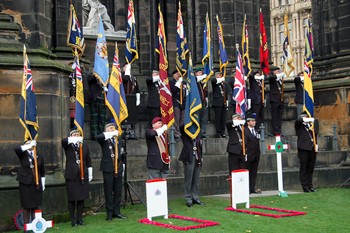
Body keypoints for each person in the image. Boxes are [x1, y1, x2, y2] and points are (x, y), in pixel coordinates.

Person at [62, 129, 92, 227]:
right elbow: (63, 141)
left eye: (78, 134)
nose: (76, 136)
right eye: (74, 134)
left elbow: (88, 160)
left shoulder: (85, 146)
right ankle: (73, 220)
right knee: (72, 199)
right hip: (71, 175)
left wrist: (90, 173)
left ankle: (80, 219)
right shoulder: (68, 146)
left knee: (81, 198)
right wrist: (72, 139)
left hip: (82, 176)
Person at [96, 122, 126, 221]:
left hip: (118, 167)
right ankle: (109, 213)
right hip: (108, 168)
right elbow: (98, 137)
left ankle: (117, 212)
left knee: (118, 191)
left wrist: (123, 166)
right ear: (106, 130)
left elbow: (123, 152)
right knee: (108, 191)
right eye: (110, 128)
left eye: (113, 128)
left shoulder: (118, 139)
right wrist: (109, 134)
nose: (112, 130)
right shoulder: (104, 139)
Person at [14, 140, 45, 225]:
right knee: (26, 206)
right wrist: (28, 145)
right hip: (25, 183)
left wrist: (43, 183)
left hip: (36, 184)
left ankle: (35, 226)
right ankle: (26, 227)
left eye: (31, 143)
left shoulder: (39, 155)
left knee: (35, 206)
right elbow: (17, 149)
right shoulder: (22, 154)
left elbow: (42, 171)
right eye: (27, 143)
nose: (30, 145)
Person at [179, 126, 204, 207]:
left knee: (196, 179)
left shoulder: (198, 132)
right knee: (188, 179)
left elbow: (200, 145)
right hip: (189, 157)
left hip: (198, 157)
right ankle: (188, 197)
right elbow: (181, 128)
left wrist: (201, 157)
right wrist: (189, 122)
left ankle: (195, 197)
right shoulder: (186, 132)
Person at [295, 111, 318, 192]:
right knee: (304, 168)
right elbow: (298, 120)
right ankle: (305, 186)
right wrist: (304, 119)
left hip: (312, 148)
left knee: (310, 168)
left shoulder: (311, 126)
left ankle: (310, 185)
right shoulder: (299, 126)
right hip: (303, 149)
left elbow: (316, 130)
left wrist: (312, 120)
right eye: (305, 117)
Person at [244, 115, 261, 194]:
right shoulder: (245, 131)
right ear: (248, 122)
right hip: (249, 155)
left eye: (254, 121)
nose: (254, 122)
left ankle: (252, 188)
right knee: (247, 171)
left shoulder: (256, 131)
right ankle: (246, 188)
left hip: (256, 155)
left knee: (254, 173)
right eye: (252, 121)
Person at [87, 72, 106, 139]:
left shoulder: (105, 76)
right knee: (94, 119)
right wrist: (96, 75)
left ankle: (101, 135)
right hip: (94, 99)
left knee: (102, 119)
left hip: (103, 99)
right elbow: (89, 80)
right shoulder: (91, 75)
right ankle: (95, 136)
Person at [268, 66, 286, 135]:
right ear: (274, 71)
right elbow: (272, 78)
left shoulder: (280, 80)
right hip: (274, 99)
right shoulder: (272, 78)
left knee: (279, 116)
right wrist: (279, 75)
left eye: (279, 71)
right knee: (275, 116)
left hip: (280, 99)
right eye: (277, 71)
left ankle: (279, 130)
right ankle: (276, 131)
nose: (279, 72)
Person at [170, 70, 186, 139]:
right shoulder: (171, 82)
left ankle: (182, 132)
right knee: (176, 119)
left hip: (183, 103)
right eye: (177, 74)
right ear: (173, 75)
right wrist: (179, 83)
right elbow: (173, 90)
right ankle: (176, 133)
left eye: (179, 74)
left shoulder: (183, 82)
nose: (178, 75)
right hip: (176, 102)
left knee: (182, 119)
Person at [211, 72, 228, 138]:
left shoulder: (223, 84)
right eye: (219, 75)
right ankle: (218, 132)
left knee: (223, 118)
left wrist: (226, 101)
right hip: (217, 103)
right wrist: (220, 79)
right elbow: (213, 81)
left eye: (221, 75)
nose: (220, 76)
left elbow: (225, 93)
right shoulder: (215, 82)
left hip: (223, 103)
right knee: (218, 118)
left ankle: (222, 131)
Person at [195, 67, 208, 138]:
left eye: (201, 72)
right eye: (199, 72)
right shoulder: (194, 80)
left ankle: (203, 132)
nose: (201, 74)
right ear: (196, 73)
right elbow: (194, 80)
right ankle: (197, 133)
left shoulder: (202, 82)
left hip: (203, 102)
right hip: (197, 103)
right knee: (197, 118)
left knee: (204, 119)